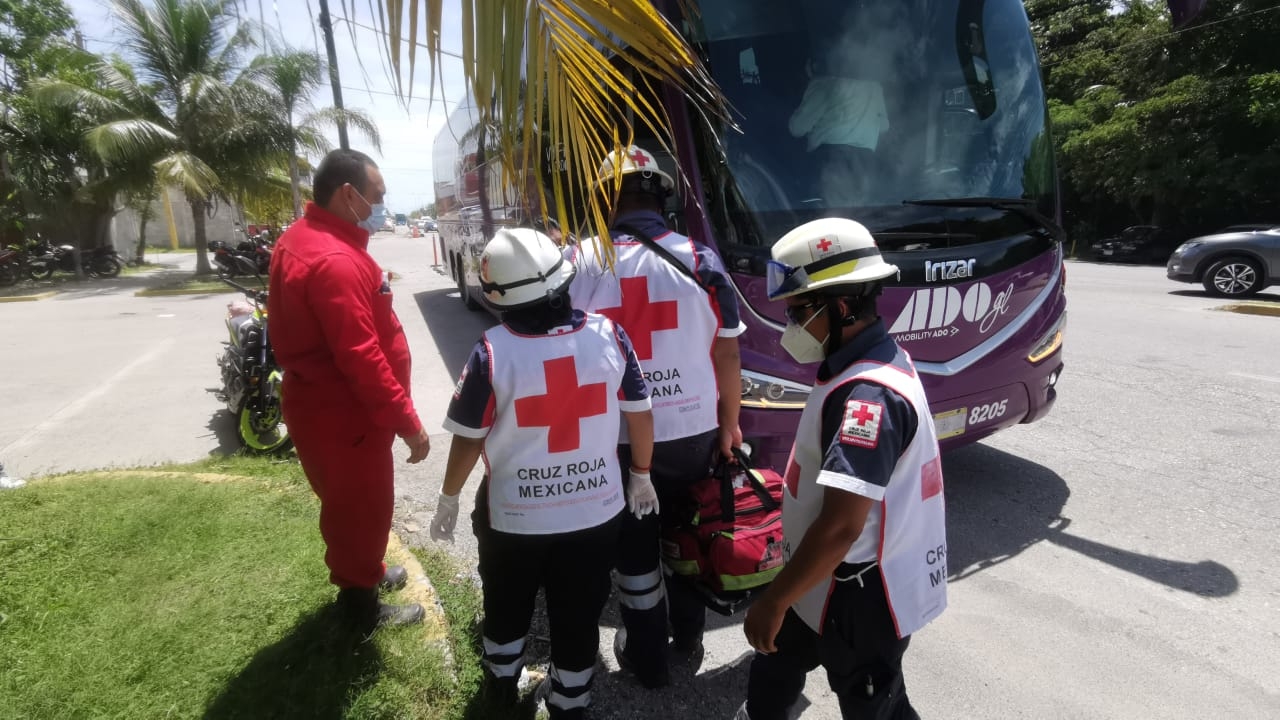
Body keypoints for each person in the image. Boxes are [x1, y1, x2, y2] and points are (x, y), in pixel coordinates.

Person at [429, 227, 656, 720]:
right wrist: (641, 472)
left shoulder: (491, 351)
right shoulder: (609, 335)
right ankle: (570, 702)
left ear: (499, 299)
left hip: (513, 520)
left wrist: (449, 497)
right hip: (595, 516)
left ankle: (499, 689)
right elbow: (639, 412)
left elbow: (469, 437)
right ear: (563, 279)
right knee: (579, 613)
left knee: (507, 606)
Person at [735, 217, 948, 720]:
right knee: (775, 664)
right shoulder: (855, 368)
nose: (791, 326)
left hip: (860, 596)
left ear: (845, 305)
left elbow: (840, 527)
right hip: (816, 576)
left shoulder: (867, 398)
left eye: (800, 311)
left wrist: (773, 599)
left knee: (876, 706)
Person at [567, 145, 746, 688]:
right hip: (692, 431)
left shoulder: (578, 262)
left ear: (605, 198)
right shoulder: (699, 259)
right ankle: (688, 638)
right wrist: (731, 424)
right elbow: (729, 353)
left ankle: (648, 661)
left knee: (635, 550)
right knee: (691, 533)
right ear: (660, 195)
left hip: (615, 438)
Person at [268, 148, 431, 634]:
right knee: (361, 509)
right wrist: (409, 423)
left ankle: (368, 574)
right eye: (376, 197)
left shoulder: (306, 238)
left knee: (355, 506)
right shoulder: (334, 260)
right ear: (348, 195)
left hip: (330, 411)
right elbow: (361, 358)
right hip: (346, 416)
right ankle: (360, 611)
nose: (380, 205)